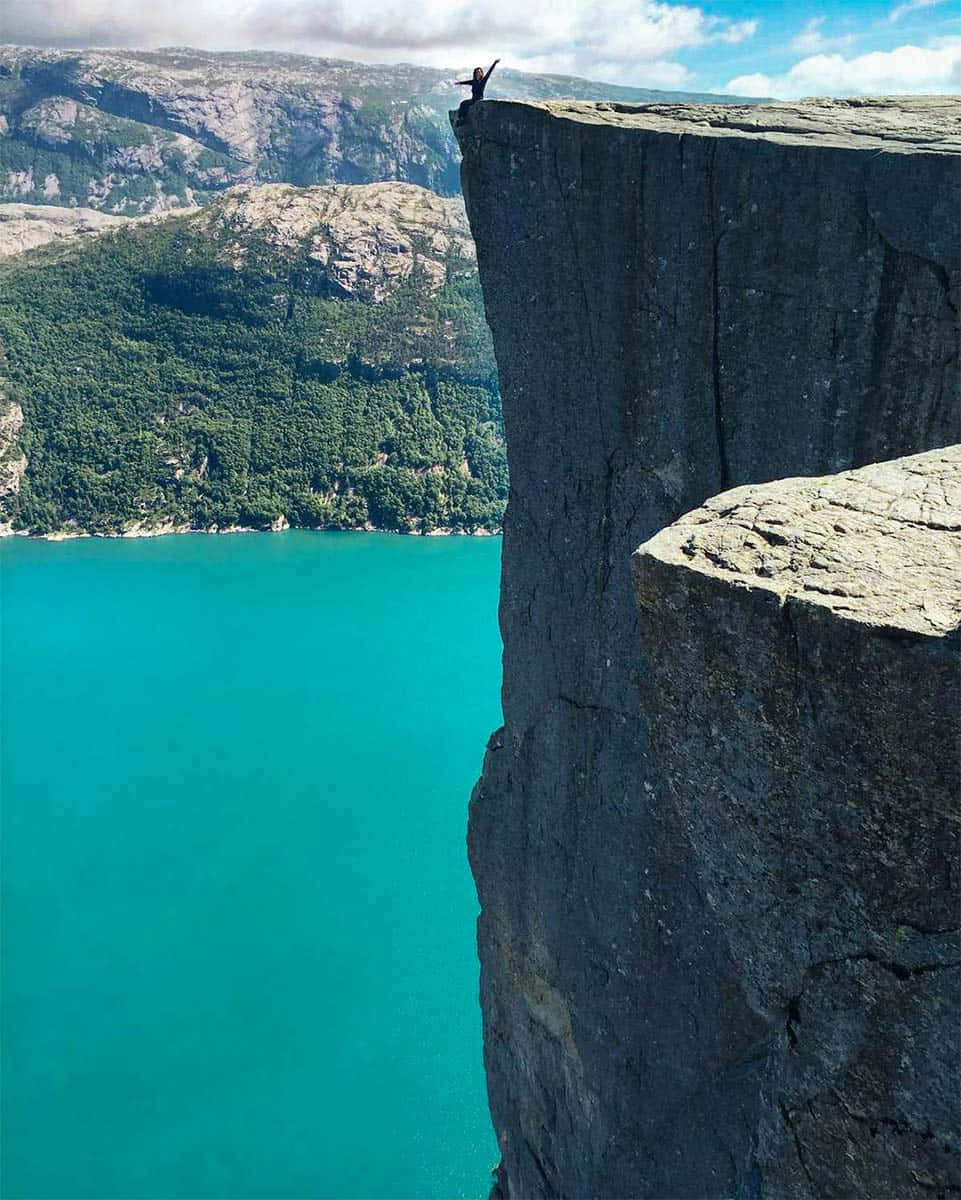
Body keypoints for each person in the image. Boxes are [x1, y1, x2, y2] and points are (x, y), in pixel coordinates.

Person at [454, 59, 500, 125]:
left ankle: (463, 120)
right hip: (473, 99)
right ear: (475, 73)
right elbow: (467, 82)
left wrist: (494, 63)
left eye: (479, 72)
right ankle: (461, 118)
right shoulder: (474, 81)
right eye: (477, 72)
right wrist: (459, 83)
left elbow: (489, 72)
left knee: (467, 105)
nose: (478, 73)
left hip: (478, 99)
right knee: (463, 103)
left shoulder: (483, 81)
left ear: (481, 73)